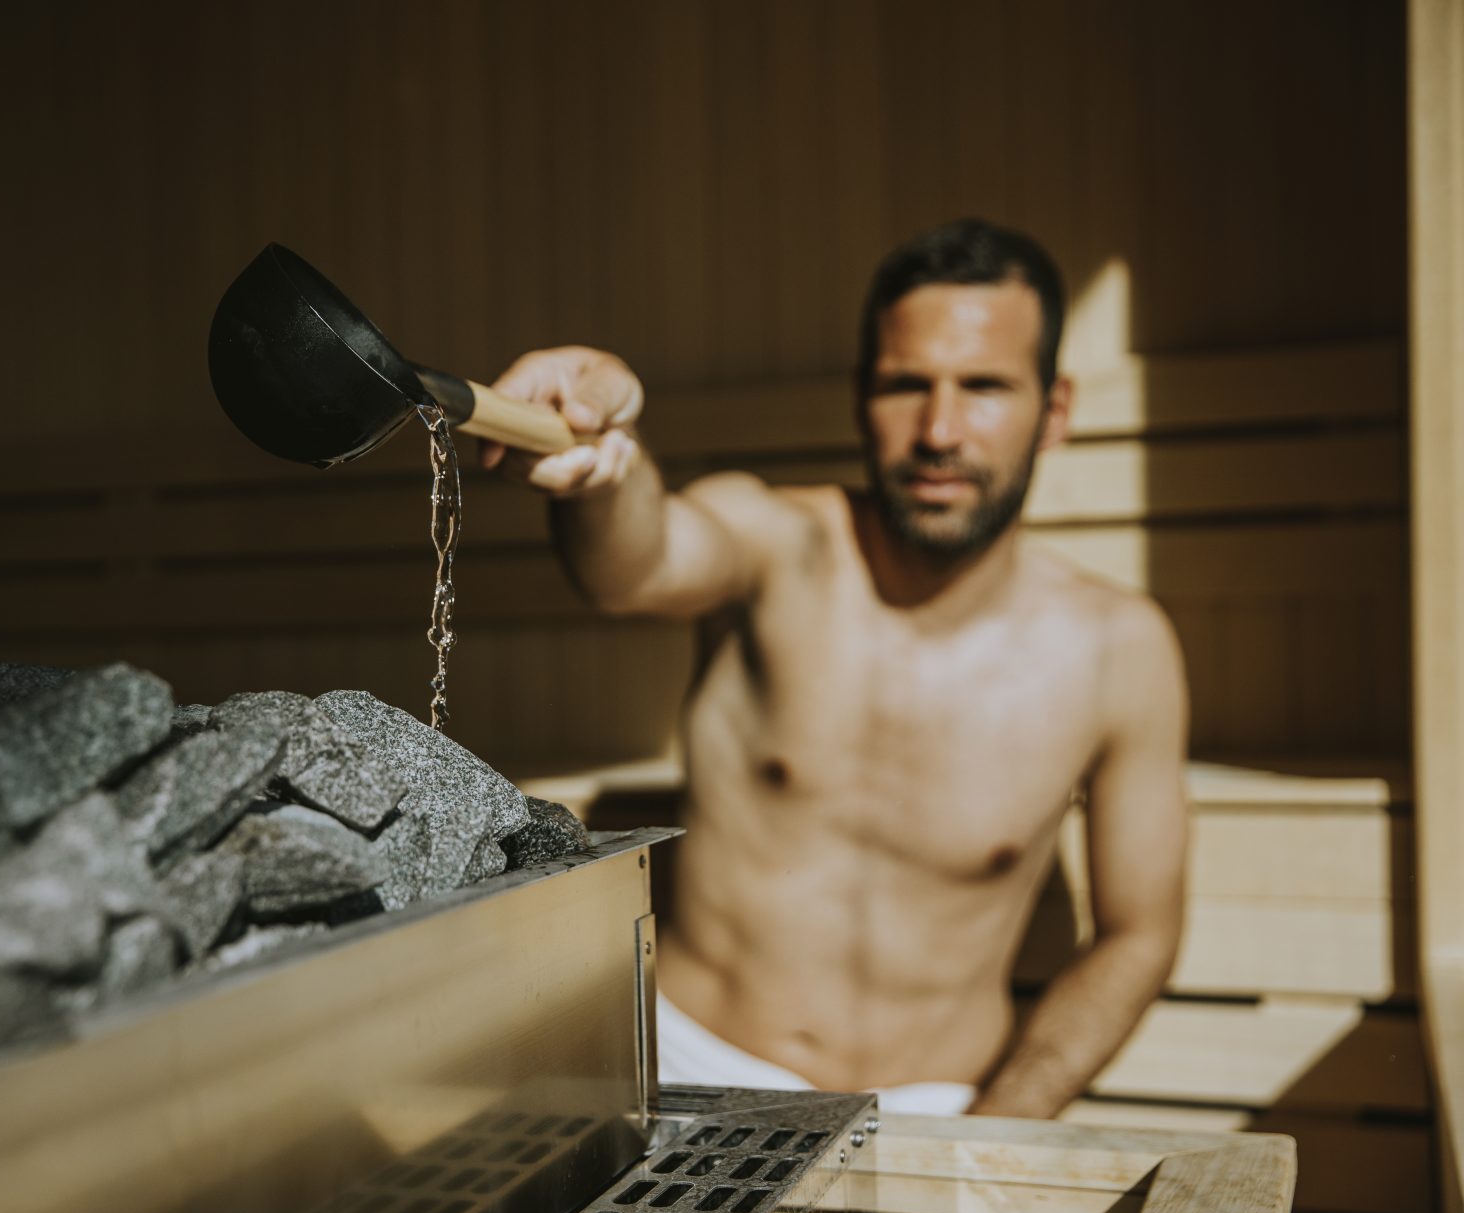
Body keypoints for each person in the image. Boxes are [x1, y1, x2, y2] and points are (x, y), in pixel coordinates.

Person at [483, 219, 1188, 1117]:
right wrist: (602, 462)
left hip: (940, 1107)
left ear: (1052, 413)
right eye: (906, 385)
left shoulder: (1118, 651)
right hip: (694, 1069)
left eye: (983, 386)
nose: (939, 429)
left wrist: (1001, 1128)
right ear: (862, 397)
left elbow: (1140, 933)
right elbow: (637, 564)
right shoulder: (776, 545)